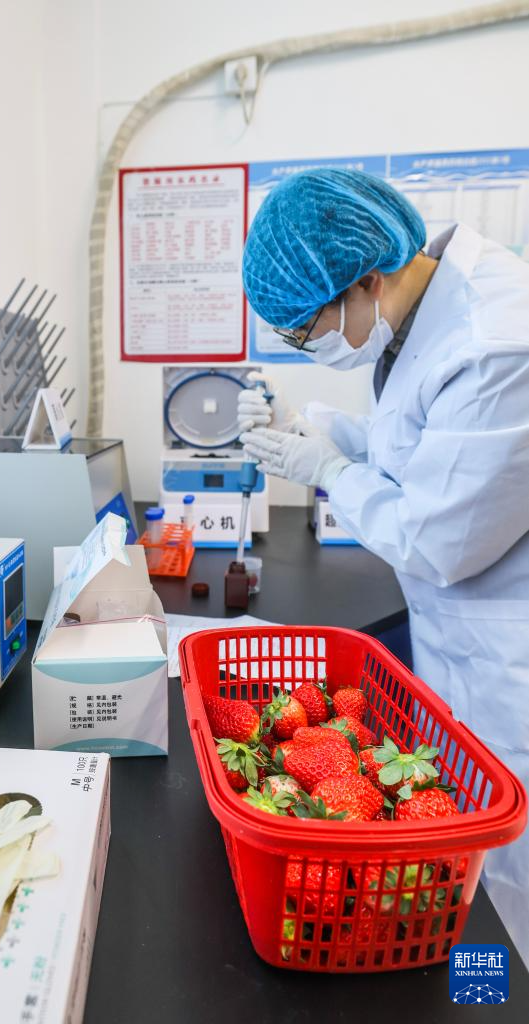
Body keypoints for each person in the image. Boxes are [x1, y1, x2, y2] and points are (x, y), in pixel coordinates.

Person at [238, 167, 529, 964]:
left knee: (504, 889)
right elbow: (418, 446)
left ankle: (493, 996)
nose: (308, 346)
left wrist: (329, 471)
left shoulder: (496, 345)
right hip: (462, 644)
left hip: (508, 667)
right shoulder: (423, 305)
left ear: (365, 280)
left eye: (306, 331)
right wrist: (307, 428)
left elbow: (435, 538)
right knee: (465, 873)